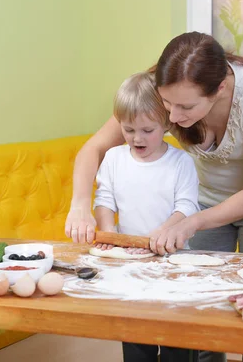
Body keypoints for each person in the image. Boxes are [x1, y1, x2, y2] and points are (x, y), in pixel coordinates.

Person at [65, 32, 243, 362]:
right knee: (203, 314)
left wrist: (190, 222)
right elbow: (94, 148)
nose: (172, 117)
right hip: (205, 204)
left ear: (220, 90)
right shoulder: (163, 85)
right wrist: (79, 205)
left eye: (185, 107)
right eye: (167, 104)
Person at [94, 71, 200, 361]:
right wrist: (107, 232)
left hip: (174, 264)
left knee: (176, 343)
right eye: (128, 130)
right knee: (136, 337)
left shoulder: (180, 163)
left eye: (147, 130)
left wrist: (163, 232)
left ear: (166, 123)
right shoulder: (114, 159)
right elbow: (104, 199)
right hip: (130, 266)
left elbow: (187, 207)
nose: (137, 138)